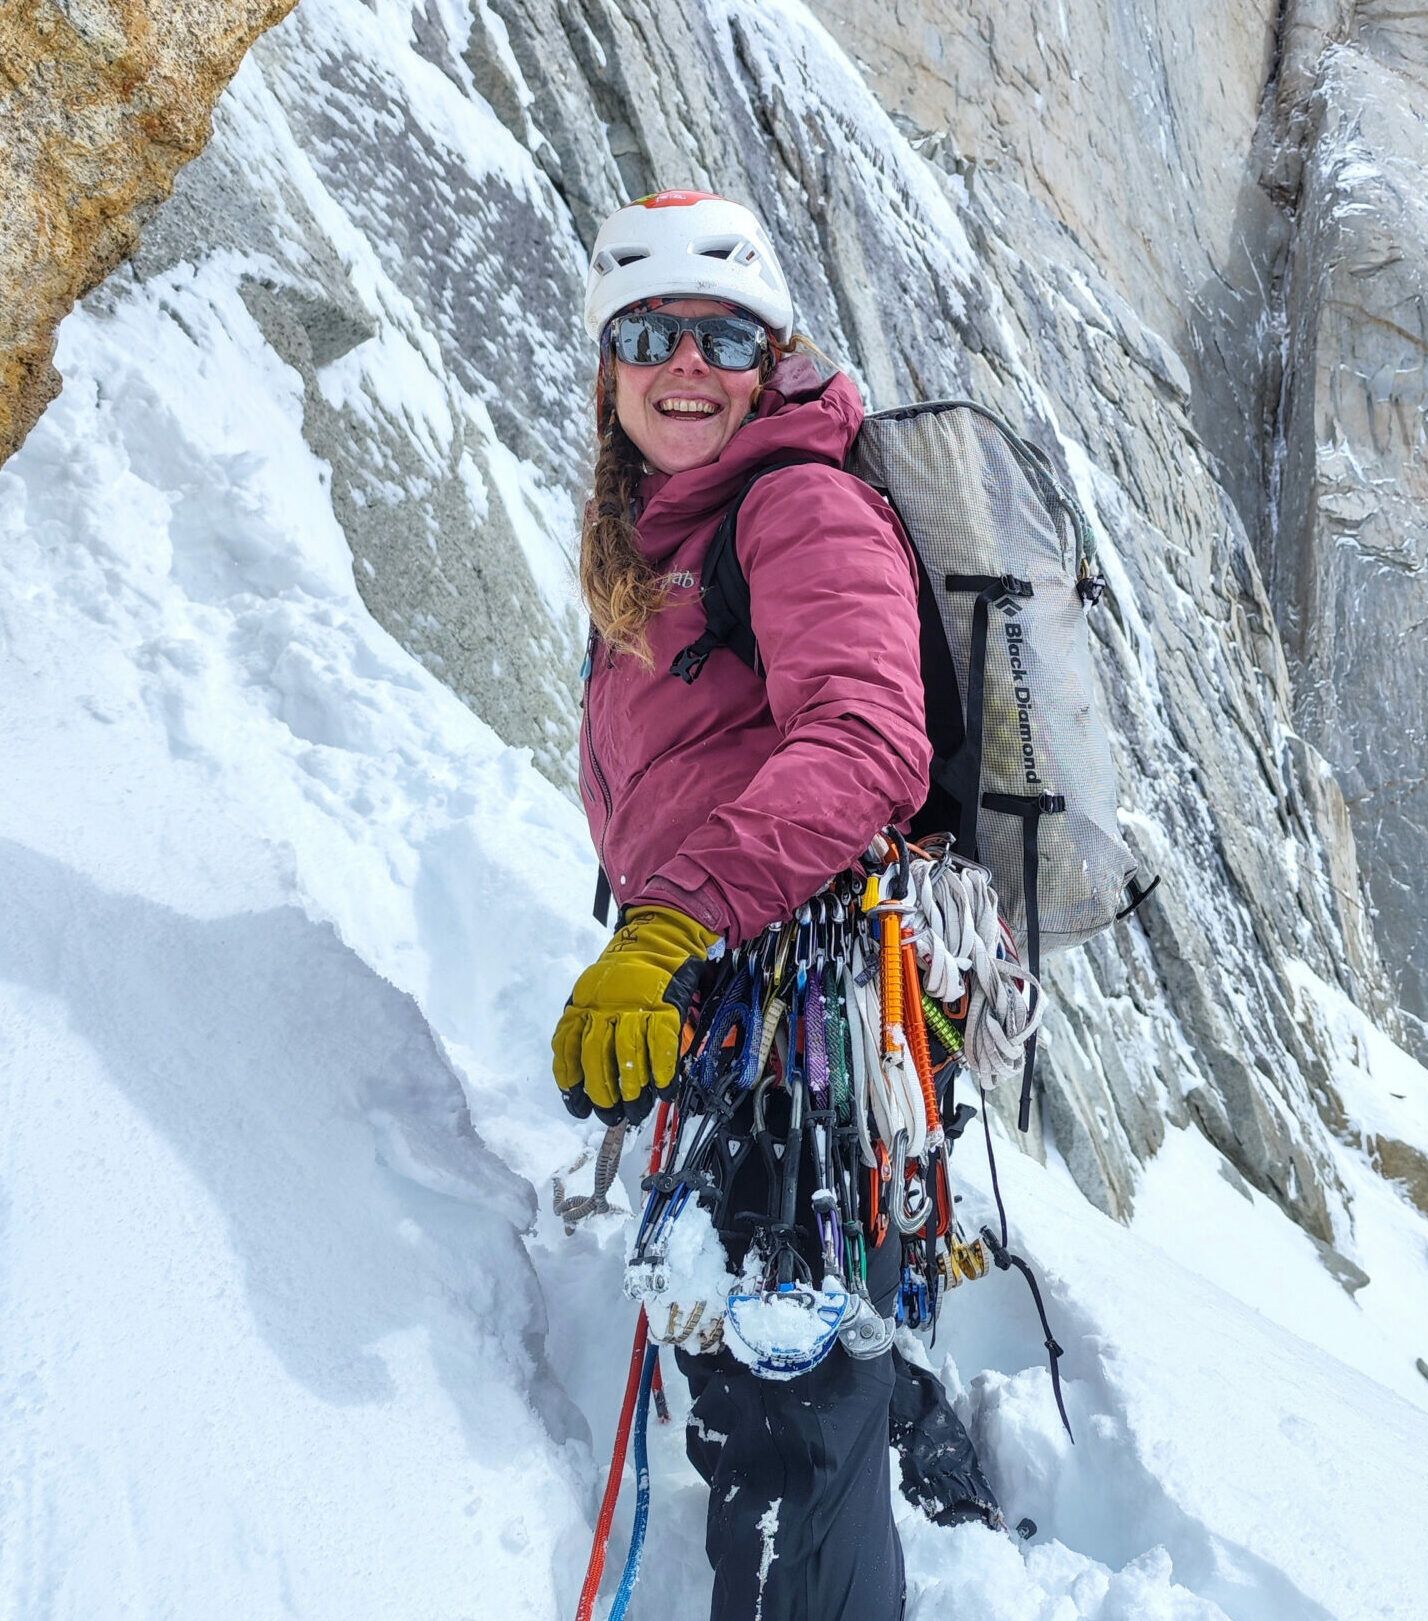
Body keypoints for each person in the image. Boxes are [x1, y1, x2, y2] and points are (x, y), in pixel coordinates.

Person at [551, 190, 996, 1621]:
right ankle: (915, 1449)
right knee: (791, 1355)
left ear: (769, 352)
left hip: (790, 1010)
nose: (687, 363)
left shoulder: (792, 500)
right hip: (744, 996)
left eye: (722, 334)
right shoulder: (666, 532)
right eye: (651, 333)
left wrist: (674, 922)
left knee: (774, 1402)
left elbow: (870, 739)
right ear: (608, 360)